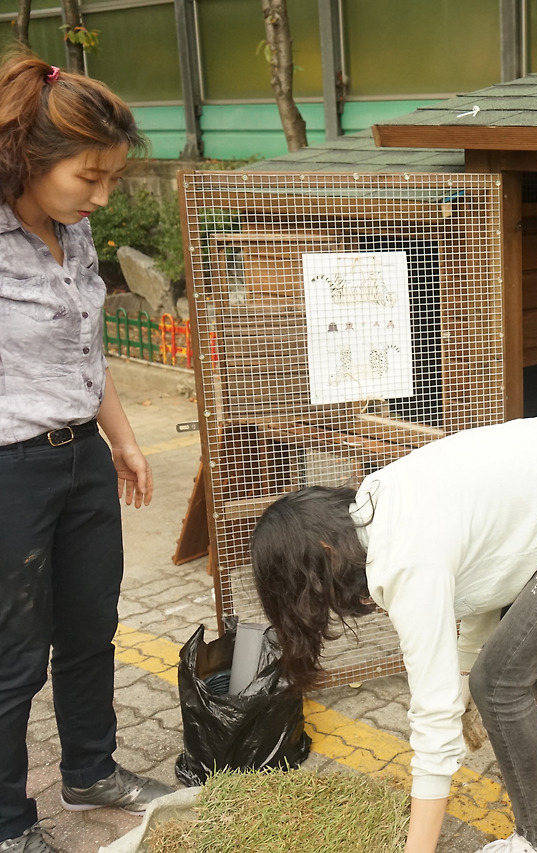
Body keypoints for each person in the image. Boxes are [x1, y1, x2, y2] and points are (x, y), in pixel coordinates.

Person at [250, 415, 537, 853]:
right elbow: (490, 584)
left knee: (499, 682)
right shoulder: (376, 503)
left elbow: (433, 721)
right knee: (520, 642)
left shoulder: (406, 561)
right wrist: (461, 680)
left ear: (324, 555)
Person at [0, 53, 176, 853]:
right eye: (90, 176)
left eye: (111, 178)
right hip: (11, 470)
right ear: (28, 160)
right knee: (13, 654)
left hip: (81, 461)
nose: (102, 196)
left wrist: (126, 441)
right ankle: (8, 823)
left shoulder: (74, 231)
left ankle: (91, 770)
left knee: (89, 624)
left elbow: (87, 351)